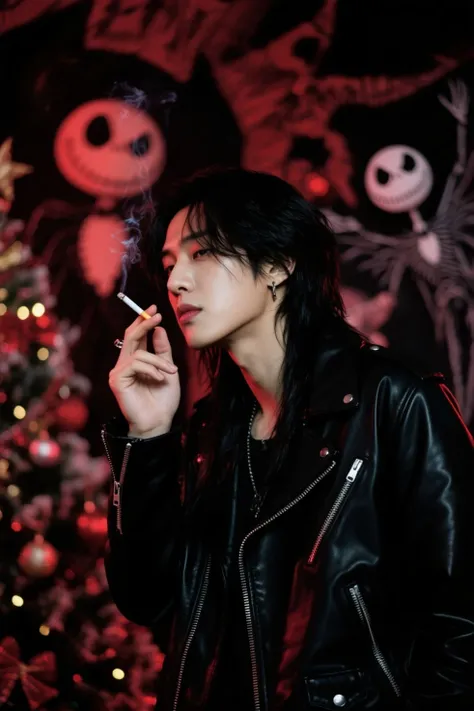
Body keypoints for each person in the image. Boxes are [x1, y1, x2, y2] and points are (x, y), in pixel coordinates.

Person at [102, 168, 474, 711]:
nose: (177, 281)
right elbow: (146, 599)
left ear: (278, 264)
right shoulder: (211, 429)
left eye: (202, 253)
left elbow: (462, 629)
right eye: (169, 263)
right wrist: (148, 435)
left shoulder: (395, 402)